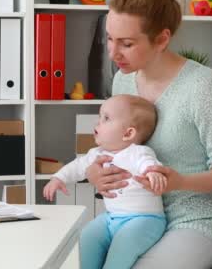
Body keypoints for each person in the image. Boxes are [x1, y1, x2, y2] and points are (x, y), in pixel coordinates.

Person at [84, 0, 212, 268]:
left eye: (127, 43)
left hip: (197, 222)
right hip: (135, 216)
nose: (113, 53)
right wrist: (97, 172)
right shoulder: (124, 79)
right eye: (109, 38)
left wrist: (179, 181)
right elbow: (116, 143)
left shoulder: (202, 87)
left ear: (162, 39)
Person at [43, 94, 167, 269]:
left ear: (128, 133)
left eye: (106, 118)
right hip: (111, 218)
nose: (98, 122)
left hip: (144, 220)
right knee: (86, 237)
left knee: (122, 249)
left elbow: (148, 163)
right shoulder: (96, 153)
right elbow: (78, 166)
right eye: (100, 117)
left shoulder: (137, 152)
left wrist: (153, 172)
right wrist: (58, 178)